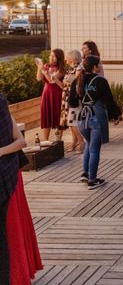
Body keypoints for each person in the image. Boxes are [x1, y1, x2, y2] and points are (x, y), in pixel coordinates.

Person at [0, 93, 43, 284]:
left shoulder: (4, 111)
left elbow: (21, 142)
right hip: (10, 176)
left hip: (9, 179)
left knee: (11, 231)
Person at [69, 55, 121, 190]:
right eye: (99, 65)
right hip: (96, 118)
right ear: (94, 67)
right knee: (94, 149)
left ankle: (85, 174)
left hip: (81, 118)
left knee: (88, 144)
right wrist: (115, 116)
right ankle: (92, 180)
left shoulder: (77, 81)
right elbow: (109, 101)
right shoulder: (100, 81)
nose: (100, 67)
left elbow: (72, 103)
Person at [35, 48, 65, 142]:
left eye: (54, 56)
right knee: (46, 115)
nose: (51, 57)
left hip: (57, 94)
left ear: (58, 57)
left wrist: (44, 70)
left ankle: (58, 141)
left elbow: (52, 81)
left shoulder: (61, 69)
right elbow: (39, 78)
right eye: (50, 55)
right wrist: (39, 68)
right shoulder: (46, 66)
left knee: (58, 116)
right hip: (47, 93)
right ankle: (45, 141)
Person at [60, 49, 84, 151]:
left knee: (72, 121)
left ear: (73, 58)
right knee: (71, 122)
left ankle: (81, 142)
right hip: (67, 96)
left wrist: (67, 83)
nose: (66, 59)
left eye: (68, 57)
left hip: (74, 97)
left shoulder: (79, 68)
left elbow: (77, 82)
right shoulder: (70, 69)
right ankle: (74, 143)